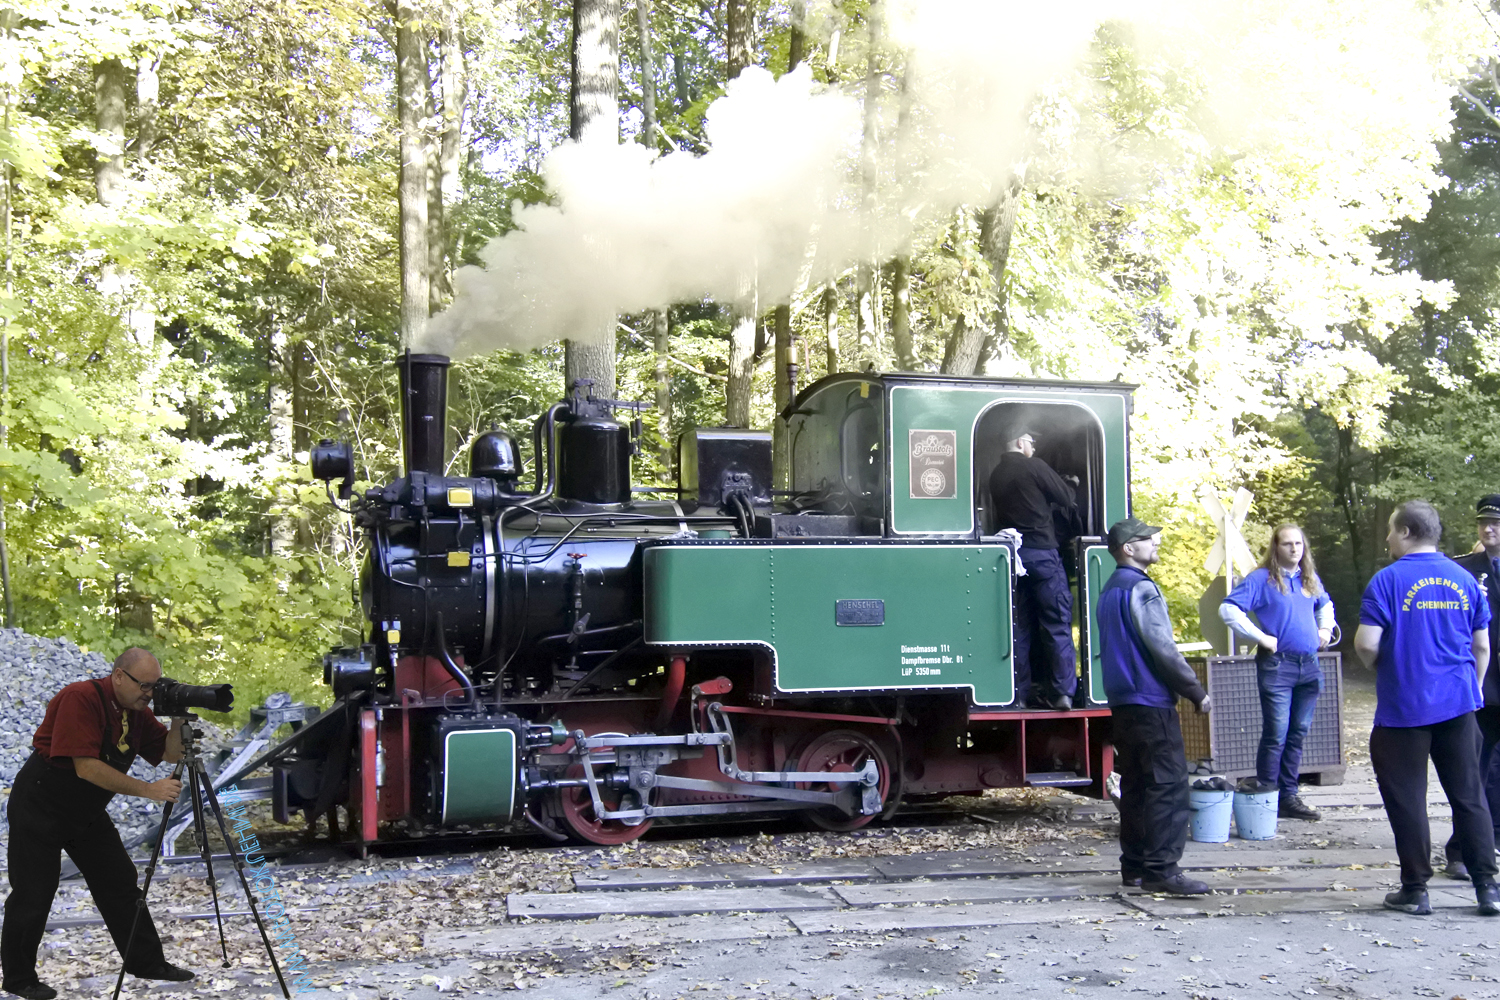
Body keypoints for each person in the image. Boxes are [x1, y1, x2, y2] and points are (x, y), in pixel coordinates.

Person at [2, 649, 197, 999]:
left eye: (154, 687)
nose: (149, 694)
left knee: (119, 881)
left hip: (85, 809)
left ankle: (147, 962)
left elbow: (169, 753)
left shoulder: (135, 710)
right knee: (34, 891)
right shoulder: (81, 697)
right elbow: (86, 767)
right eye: (144, 686)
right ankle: (19, 979)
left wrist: (177, 718)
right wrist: (147, 790)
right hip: (40, 803)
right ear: (119, 676)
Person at [1354, 500, 1499, 917]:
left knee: (1408, 799)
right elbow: (1482, 646)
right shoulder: (1466, 578)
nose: (1386, 538)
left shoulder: (1386, 581)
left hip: (1404, 710)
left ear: (1406, 532)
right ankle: (1487, 887)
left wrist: (1386, 664)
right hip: (1459, 706)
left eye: (1390, 530)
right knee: (1469, 796)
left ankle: (1415, 891)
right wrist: (1470, 688)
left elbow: (1365, 643)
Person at [1098, 516, 1213, 896]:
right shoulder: (1141, 589)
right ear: (1128, 549)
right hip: (1150, 701)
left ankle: (1134, 867)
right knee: (1168, 787)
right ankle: (1162, 870)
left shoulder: (1110, 590)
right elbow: (1163, 649)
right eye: (1147, 539)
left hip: (1122, 703)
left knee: (1135, 787)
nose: (1155, 542)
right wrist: (1196, 691)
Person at [1218, 523, 1334, 821]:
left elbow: (1326, 604)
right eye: (1287, 544)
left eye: (1298, 543)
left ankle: (1288, 797)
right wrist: (1261, 637)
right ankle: (1266, 797)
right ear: (1276, 547)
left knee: (1298, 733)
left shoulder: (1309, 578)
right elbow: (1228, 609)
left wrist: (1324, 627)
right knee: (1277, 734)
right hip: (1277, 666)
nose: (1295, 549)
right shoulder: (1261, 579)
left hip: (1309, 666)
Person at [989, 427, 1079, 709]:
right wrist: (1072, 483)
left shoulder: (996, 475)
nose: (1034, 448)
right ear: (1019, 442)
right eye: (1031, 442)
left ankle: (1019, 694)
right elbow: (1065, 497)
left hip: (1014, 558)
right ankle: (1063, 692)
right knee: (1056, 623)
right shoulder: (1034, 466)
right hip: (1042, 554)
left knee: (1021, 627)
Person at [1442, 493, 1500, 880]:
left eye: (1495, 522)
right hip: (1482, 685)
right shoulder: (1462, 570)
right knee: (1472, 771)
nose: (1488, 528)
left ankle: (1490, 843)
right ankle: (1461, 851)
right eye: (1483, 523)